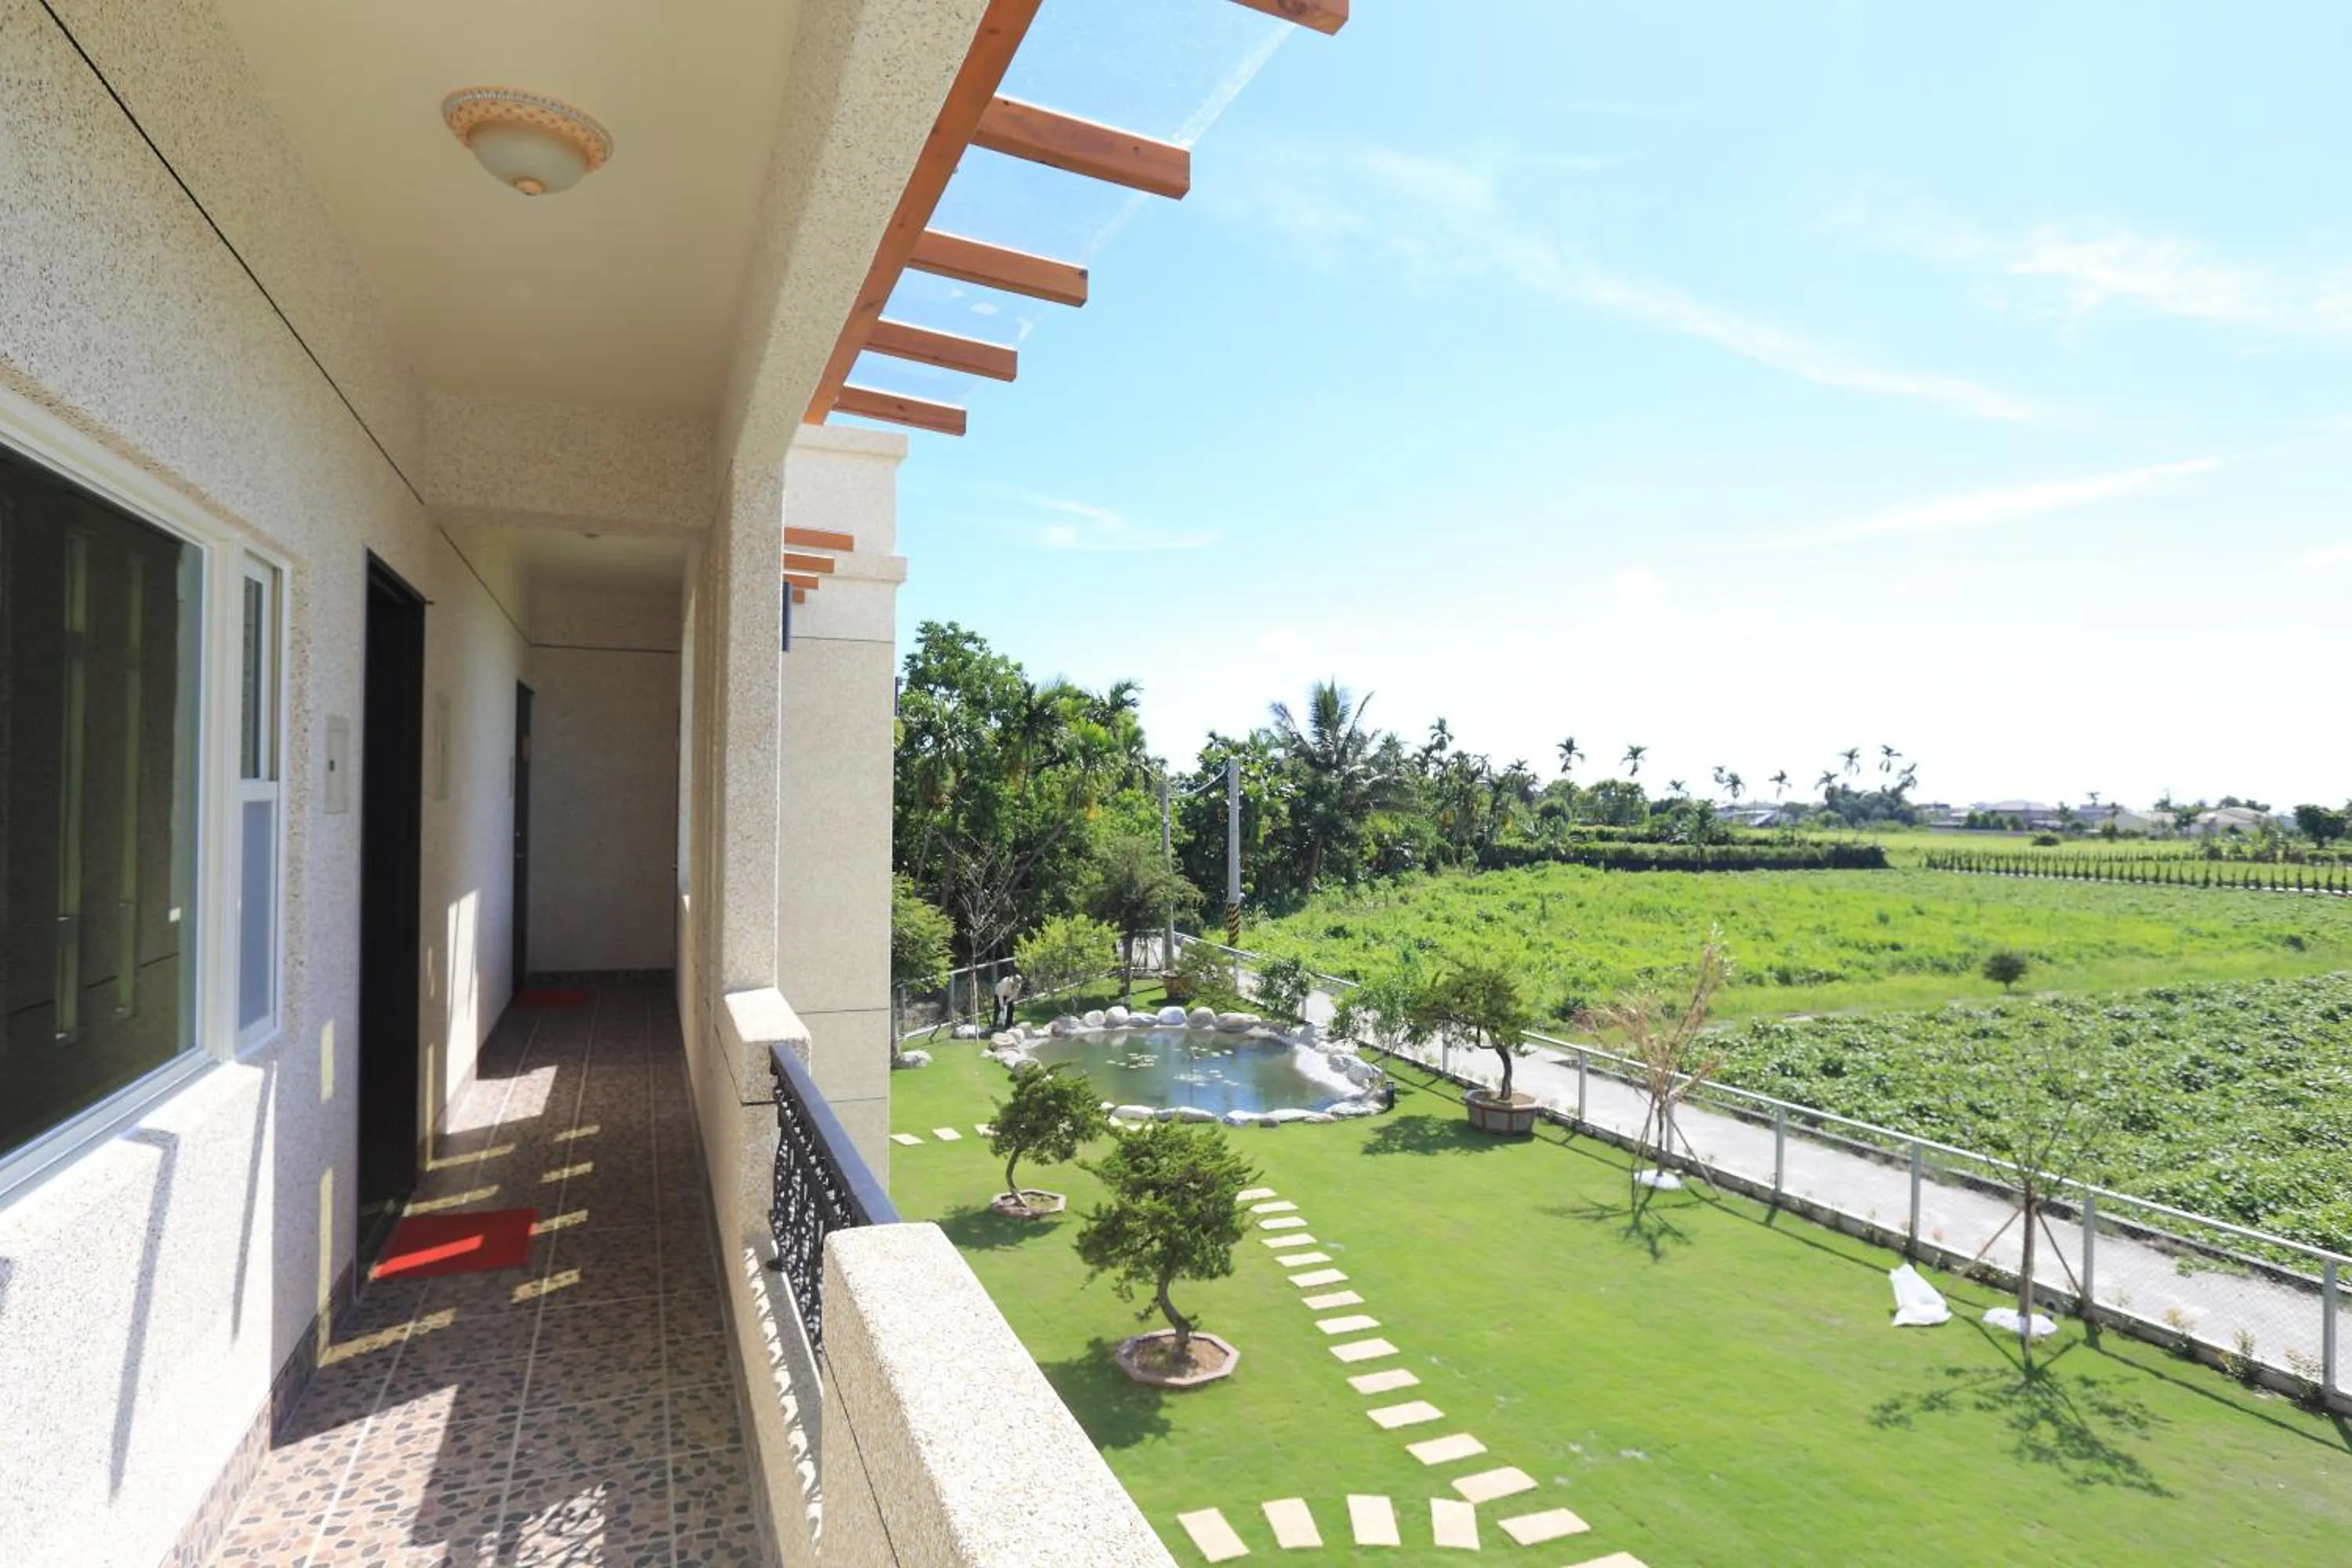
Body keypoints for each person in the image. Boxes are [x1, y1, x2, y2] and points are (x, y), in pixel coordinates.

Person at [991, 968, 1024, 1032]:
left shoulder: (1018, 985)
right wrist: (1002, 1005)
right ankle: (994, 1024)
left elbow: (1014, 995)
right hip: (999, 994)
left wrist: (1007, 1001)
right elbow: (1000, 995)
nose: (1015, 986)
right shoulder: (1005, 982)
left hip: (1008, 996)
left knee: (1011, 1008)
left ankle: (1008, 1025)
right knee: (997, 1009)